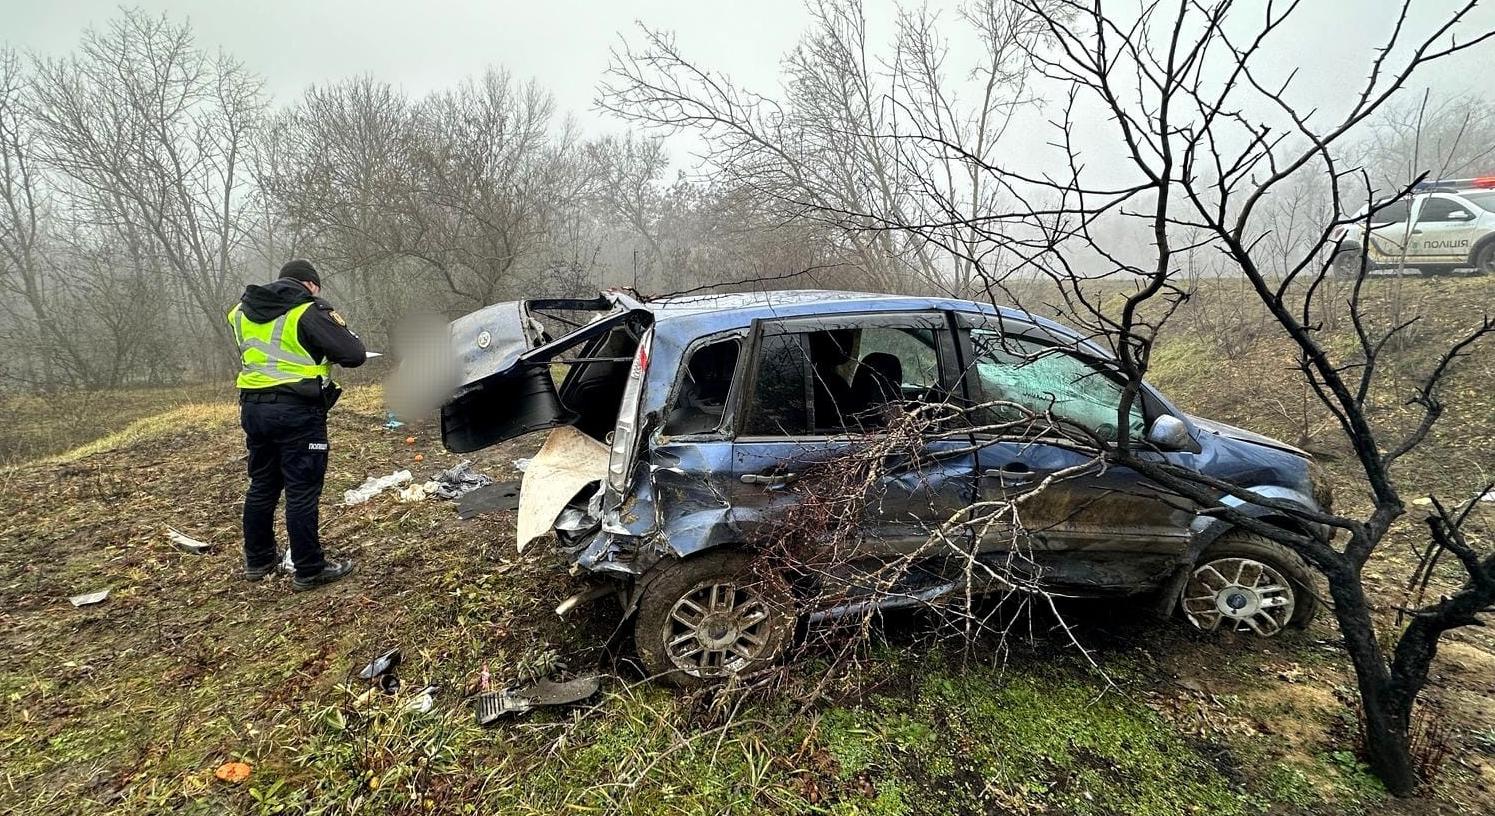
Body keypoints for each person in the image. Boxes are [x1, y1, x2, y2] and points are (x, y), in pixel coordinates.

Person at [229, 259, 366, 591]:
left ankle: (258, 560)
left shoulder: (241, 312)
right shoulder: (307, 310)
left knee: (262, 484)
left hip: (253, 409)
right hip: (297, 412)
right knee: (302, 489)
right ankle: (309, 567)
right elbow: (354, 353)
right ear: (311, 285)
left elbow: (270, 353)